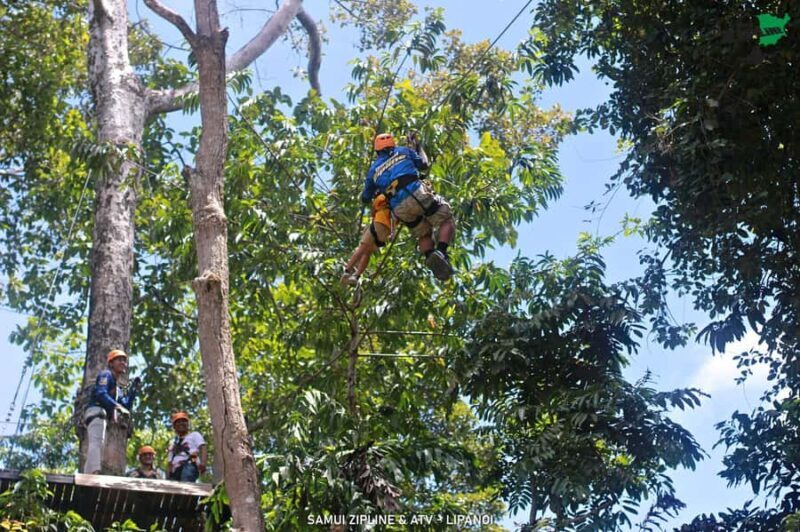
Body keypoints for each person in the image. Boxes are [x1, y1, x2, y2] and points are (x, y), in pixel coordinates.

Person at [361, 132, 456, 281]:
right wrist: (418, 147)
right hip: (416, 194)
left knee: (423, 234)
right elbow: (424, 165)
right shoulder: (403, 151)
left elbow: (365, 198)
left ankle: (430, 255)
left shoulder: (373, 170)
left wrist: (377, 190)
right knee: (445, 219)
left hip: (399, 208)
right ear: (392, 144)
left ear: (377, 150)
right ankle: (441, 252)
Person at [82, 349, 140, 474]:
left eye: (124, 361)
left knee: (99, 444)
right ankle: (93, 472)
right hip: (96, 411)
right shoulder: (106, 375)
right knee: (97, 443)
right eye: (119, 360)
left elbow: (125, 405)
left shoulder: (116, 388)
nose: (123, 363)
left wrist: (133, 390)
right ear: (111, 363)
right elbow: (101, 393)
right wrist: (116, 406)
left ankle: (89, 473)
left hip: (102, 416)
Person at [341, 194, 393, 286]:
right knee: (367, 252)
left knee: (362, 248)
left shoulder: (381, 197)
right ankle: (356, 276)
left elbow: (374, 209)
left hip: (379, 223)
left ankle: (347, 271)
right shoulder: (398, 203)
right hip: (387, 231)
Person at [167, 411, 207, 482]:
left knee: (186, 480)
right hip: (175, 469)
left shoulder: (194, 435)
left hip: (190, 464)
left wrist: (203, 463)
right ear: (174, 426)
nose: (181, 423)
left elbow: (203, 447)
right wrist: (168, 475)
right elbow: (170, 462)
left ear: (187, 424)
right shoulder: (173, 442)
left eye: (183, 421)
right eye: (178, 422)